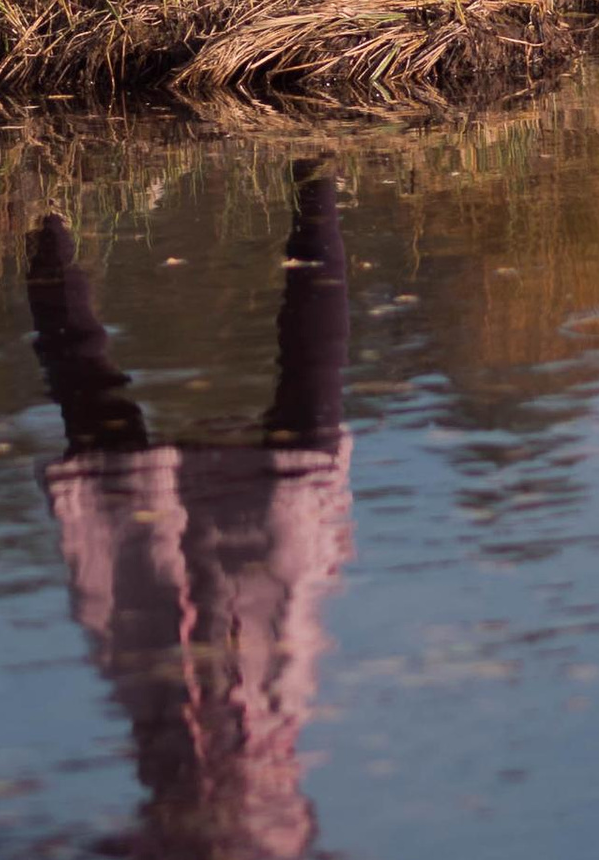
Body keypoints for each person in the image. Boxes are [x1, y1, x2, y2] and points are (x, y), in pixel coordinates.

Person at [24, 170, 352, 860]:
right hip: (264, 686)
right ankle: (318, 176)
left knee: (102, 435)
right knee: (304, 443)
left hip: (165, 695)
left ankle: (38, 201)